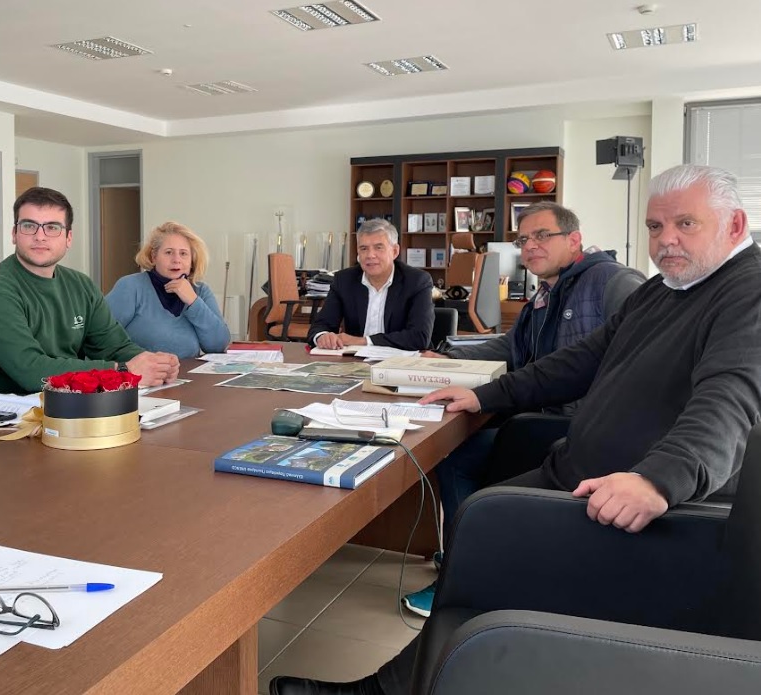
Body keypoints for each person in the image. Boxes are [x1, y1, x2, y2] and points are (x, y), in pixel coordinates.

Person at [269, 163, 761, 695]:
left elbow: (730, 399)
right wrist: (485, 394)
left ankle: (389, 689)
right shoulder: (664, 290)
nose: (665, 241)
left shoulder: (747, 291)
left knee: (482, 527)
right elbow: (580, 360)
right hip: (578, 470)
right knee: (474, 526)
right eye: (655, 227)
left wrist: (659, 480)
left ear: (734, 225)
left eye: (685, 224)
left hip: (627, 500)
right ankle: (407, 682)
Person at [403, 202, 644, 617]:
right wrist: (450, 357)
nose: (530, 246)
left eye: (542, 235)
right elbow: (513, 347)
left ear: (574, 239)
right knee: (459, 448)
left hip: (577, 430)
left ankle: (468, 570)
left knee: (459, 458)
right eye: (523, 239)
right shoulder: (545, 293)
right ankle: (467, 553)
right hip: (543, 418)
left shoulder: (612, 282)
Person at [0, 187, 179, 393]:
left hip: (61, 404)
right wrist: (123, 370)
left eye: (52, 227)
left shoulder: (80, 285)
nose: (40, 236)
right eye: (29, 226)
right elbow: (32, 372)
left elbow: (114, 346)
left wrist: (154, 364)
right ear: (14, 234)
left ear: (68, 238)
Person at [105, 221, 230, 359]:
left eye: (183, 253)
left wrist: (193, 302)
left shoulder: (201, 291)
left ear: (192, 261)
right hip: (140, 371)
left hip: (189, 372)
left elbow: (218, 346)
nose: (176, 260)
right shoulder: (131, 286)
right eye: (169, 252)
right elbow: (99, 339)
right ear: (154, 257)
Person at [308, 218, 433, 350]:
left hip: (401, 359)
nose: (370, 255)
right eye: (364, 248)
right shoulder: (344, 280)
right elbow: (320, 326)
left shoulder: (417, 281)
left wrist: (363, 341)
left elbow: (419, 337)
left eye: (378, 247)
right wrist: (323, 336)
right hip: (353, 359)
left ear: (395, 251)